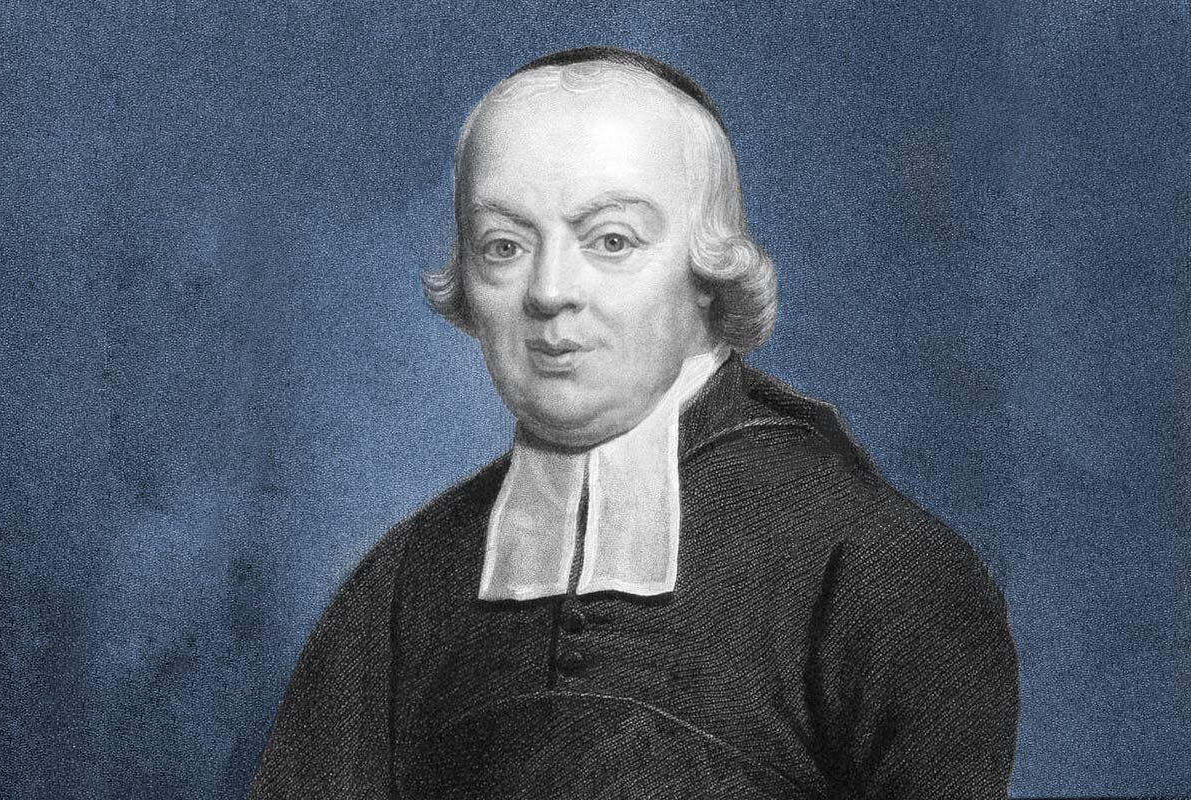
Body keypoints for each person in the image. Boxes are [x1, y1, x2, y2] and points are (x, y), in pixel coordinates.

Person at [250, 46, 1019, 799]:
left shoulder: (873, 565)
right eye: (504, 246)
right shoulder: (405, 583)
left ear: (709, 272)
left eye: (610, 241)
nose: (549, 291)